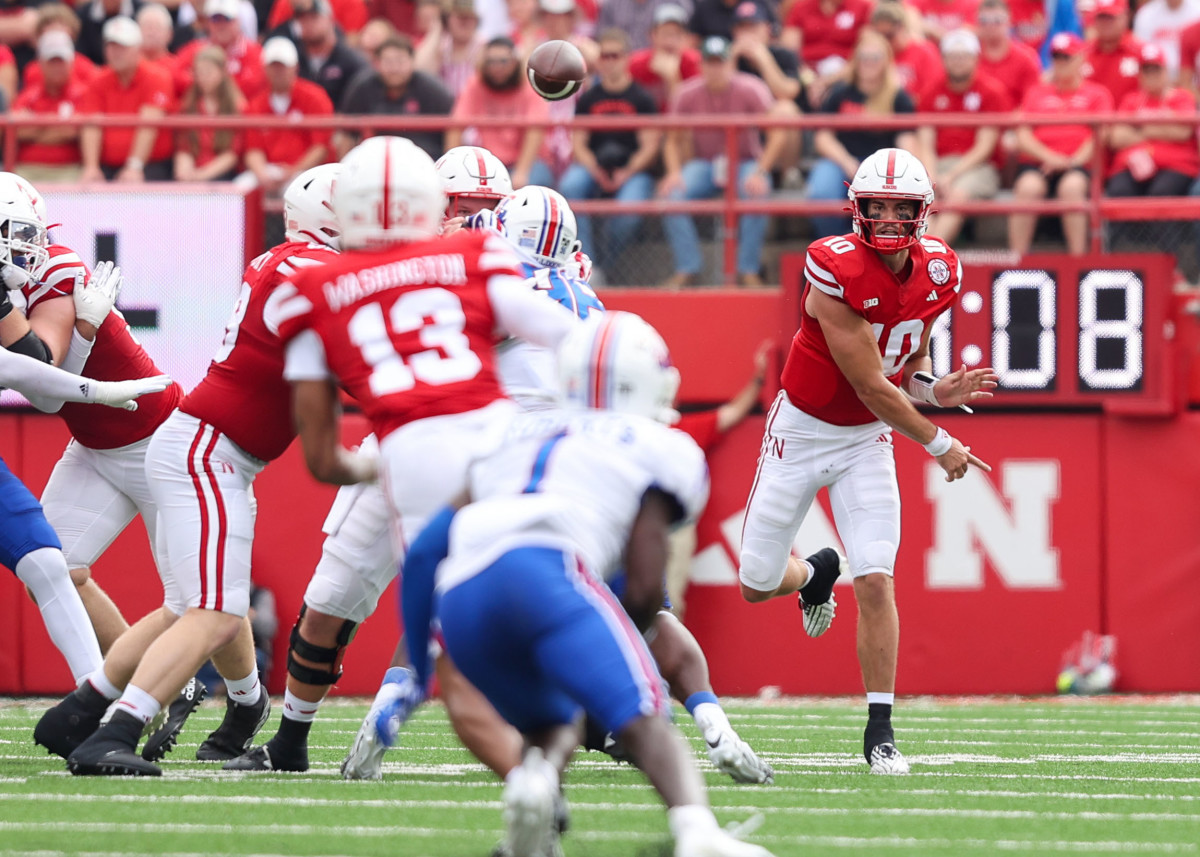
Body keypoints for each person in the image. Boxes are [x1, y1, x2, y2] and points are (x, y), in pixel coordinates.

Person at [231, 138, 579, 777]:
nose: (472, 216)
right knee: (332, 594)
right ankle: (294, 739)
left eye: (484, 206)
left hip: (457, 448)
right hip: (409, 442)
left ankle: (552, 733)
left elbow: (321, 443)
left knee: (459, 615)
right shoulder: (461, 260)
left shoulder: (480, 258)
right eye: (460, 204)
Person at [394, 312, 776, 857]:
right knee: (646, 715)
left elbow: (426, 552)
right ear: (652, 381)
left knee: (552, 720)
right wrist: (614, 643)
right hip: (549, 571)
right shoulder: (660, 445)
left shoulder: (509, 429)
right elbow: (645, 588)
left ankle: (535, 782)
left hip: (464, 594)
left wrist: (413, 673)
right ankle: (698, 835)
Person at [35, 165, 345, 777]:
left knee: (194, 605)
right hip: (207, 450)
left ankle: (86, 706)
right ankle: (116, 724)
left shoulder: (293, 263)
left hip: (199, 445)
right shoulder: (304, 268)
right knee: (214, 610)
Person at [737, 147, 997, 775]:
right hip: (799, 432)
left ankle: (880, 733)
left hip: (865, 440)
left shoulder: (939, 270)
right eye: (875, 206)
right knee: (754, 583)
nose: (885, 217)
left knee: (877, 577)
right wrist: (940, 443)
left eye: (897, 208)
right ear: (856, 210)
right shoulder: (834, 267)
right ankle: (816, 571)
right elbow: (871, 385)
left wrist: (936, 391)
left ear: (921, 213)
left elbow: (905, 368)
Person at [0, 196, 171, 696]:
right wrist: (85, 337)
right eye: (15, 232)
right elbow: (35, 381)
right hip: (96, 441)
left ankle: (246, 700)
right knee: (51, 569)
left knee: (200, 594)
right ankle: (135, 689)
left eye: (31, 233)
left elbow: (40, 373)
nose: (30, 247)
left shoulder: (56, 268)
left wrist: (83, 338)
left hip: (156, 435)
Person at [659, 35, 784, 288]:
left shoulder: (751, 87)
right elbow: (671, 140)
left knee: (757, 192)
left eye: (721, 62)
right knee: (670, 195)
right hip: (705, 164)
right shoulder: (687, 92)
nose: (715, 68)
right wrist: (673, 173)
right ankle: (688, 266)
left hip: (746, 162)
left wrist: (760, 172)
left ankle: (748, 270)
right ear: (701, 64)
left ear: (731, 64)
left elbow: (778, 133)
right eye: (710, 62)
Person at [558, 28, 660, 275]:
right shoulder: (588, 98)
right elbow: (579, 143)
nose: (610, 62)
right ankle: (587, 265)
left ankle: (604, 264)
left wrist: (627, 172)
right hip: (594, 166)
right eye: (605, 56)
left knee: (628, 211)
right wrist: (595, 170)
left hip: (633, 171)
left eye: (616, 56)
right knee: (571, 187)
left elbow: (650, 146)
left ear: (627, 58)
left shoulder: (642, 98)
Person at [806, 30, 920, 239]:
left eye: (875, 57)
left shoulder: (898, 97)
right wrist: (847, 162)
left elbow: (907, 143)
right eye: (863, 57)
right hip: (841, 161)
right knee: (821, 194)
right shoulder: (840, 92)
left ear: (886, 61)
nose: (869, 63)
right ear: (855, 60)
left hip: (883, 168)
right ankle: (837, 245)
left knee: (889, 201)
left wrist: (887, 173)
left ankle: (870, 246)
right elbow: (823, 137)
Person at [1010, 33, 1113, 257]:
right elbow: (1023, 135)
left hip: (1079, 164)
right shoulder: (1036, 92)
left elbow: (1099, 136)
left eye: (1067, 57)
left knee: (1072, 187)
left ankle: (1078, 260)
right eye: (1057, 57)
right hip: (1040, 163)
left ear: (1081, 59)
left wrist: (1072, 161)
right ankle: (1015, 260)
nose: (1061, 63)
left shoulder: (1097, 94)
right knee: (1027, 187)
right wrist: (1051, 158)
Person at [916, 29, 1009, 244]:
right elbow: (925, 141)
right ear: (944, 59)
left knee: (958, 193)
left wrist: (951, 175)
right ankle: (922, 252)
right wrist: (931, 176)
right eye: (953, 56)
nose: (958, 61)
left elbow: (984, 147)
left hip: (978, 167)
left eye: (964, 56)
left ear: (976, 58)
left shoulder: (990, 91)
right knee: (923, 195)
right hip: (939, 163)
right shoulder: (931, 91)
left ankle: (929, 254)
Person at [1106, 44, 1198, 254]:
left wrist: (1139, 128)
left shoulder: (1180, 97)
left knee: (1161, 193)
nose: (1151, 75)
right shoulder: (1131, 100)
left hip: (1175, 166)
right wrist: (1160, 128)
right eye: (1146, 70)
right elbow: (1116, 137)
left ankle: (1173, 265)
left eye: (1156, 69)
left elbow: (1182, 132)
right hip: (1133, 165)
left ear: (1165, 71)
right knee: (1118, 191)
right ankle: (1114, 260)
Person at [447, 36, 555, 188]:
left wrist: (522, 172)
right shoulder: (477, 84)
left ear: (514, 62)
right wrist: (453, 166)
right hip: (490, 164)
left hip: (530, 162)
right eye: (491, 62)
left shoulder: (529, 85)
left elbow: (535, 131)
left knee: (526, 188)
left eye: (503, 61)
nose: (497, 67)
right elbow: (456, 126)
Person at [78, 16, 176, 183]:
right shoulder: (98, 79)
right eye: (111, 46)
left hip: (151, 166)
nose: (116, 52)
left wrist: (134, 166)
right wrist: (91, 167)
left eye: (122, 47)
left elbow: (149, 124)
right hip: (108, 166)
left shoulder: (156, 76)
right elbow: (92, 123)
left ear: (137, 49)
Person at [240, 37, 334, 196]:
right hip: (270, 170)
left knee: (299, 192)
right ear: (265, 69)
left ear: (295, 68)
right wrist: (262, 175)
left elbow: (320, 148)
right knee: (240, 189)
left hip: (305, 172)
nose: (278, 72)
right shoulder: (256, 104)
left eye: (283, 67)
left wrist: (292, 172)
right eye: (273, 67)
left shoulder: (314, 97)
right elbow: (253, 149)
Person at [336, 34, 455, 160]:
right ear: (377, 63)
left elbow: (453, 125)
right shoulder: (362, 88)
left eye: (400, 61)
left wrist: (446, 162)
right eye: (388, 61)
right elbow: (346, 132)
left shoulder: (431, 89)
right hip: (375, 162)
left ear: (412, 61)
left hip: (424, 161)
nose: (394, 68)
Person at [10, 30, 86, 183]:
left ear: (71, 62)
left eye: (61, 61)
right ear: (41, 63)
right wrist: (59, 124)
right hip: (26, 171)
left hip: (70, 171)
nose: (56, 67)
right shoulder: (29, 95)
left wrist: (35, 124)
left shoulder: (82, 94)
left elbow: (72, 131)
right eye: (52, 61)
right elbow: (16, 131)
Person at [265, 0, 368, 109]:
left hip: (338, 122)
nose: (308, 23)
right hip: (300, 122)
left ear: (329, 18)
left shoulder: (351, 62)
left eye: (314, 17)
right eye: (302, 19)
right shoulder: (291, 60)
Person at [173, 0, 266, 103]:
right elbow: (177, 76)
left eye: (227, 18)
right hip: (203, 113)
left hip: (242, 115)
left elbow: (256, 84)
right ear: (207, 23)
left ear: (238, 21)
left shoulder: (254, 51)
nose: (221, 25)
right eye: (215, 19)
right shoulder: (195, 49)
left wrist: (208, 81)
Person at [174, 45, 244, 182]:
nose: (203, 78)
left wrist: (201, 176)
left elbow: (232, 154)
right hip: (193, 172)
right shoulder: (188, 106)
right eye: (199, 73)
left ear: (222, 72)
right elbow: (184, 146)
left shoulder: (238, 107)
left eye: (208, 72)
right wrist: (183, 172)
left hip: (223, 175)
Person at [628, 3, 700, 110]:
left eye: (676, 34)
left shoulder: (694, 62)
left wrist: (672, 78)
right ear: (652, 35)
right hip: (646, 124)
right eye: (665, 33)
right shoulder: (636, 63)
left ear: (685, 37)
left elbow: (690, 112)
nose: (670, 41)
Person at [412, 0, 484, 98]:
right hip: (443, 108)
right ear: (446, 20)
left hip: (474, 108)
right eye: (459, 18)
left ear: (476, 21)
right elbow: (419, 72)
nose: (464, 22)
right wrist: (437, 31)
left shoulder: (484, 47)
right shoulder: (440, 47)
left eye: (469, 18)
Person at [1084, 0, 1143, 107]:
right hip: (1092, 121)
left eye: (1111, 17)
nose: (1106, 22)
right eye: (1101, 17)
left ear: (1126, 16)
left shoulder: (1141, 53)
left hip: (1129, 121)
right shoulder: (1081, 54)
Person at [1132, 0, 1200, 80]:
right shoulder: (1146, 14)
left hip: (1193, 79)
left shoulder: (1197, 10)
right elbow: (1140, 52)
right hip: (1156, 78)